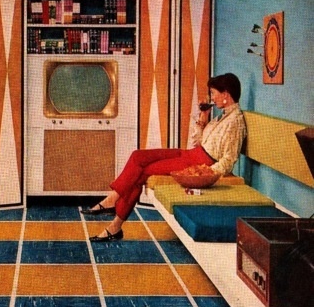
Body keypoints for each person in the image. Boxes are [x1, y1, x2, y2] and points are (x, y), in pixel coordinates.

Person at [82, 72, 247, 242]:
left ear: (226, 94)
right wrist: (202, 120)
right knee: (138, 156)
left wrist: (202, 172)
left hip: (201, 162)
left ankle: (114, 224)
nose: (212, 97)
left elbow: (229, 160)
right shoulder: (222, 117)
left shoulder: (235, 122)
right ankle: (113, 199)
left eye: (213, 93)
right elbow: (197, 142)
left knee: (144, 172)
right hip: (192, 154)